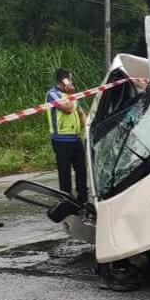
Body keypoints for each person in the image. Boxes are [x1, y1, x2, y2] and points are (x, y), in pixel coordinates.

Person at [46, 68, 88, 204]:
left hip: (76, 138)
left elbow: (81, 113)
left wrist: (88, 128)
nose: (72, 81)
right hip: (61, 140)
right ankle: (66, 202)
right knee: (65, 175)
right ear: (64, 81)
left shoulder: (71, 96)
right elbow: (68, 109)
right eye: (70, 78)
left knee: (81, 170)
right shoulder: (52, 95)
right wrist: (70, 93)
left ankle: (83, 201)